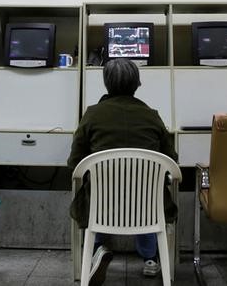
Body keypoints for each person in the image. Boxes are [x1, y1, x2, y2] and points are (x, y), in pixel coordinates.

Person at [67, 58, 178, 285]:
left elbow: (75, 163)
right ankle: (150, 259)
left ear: (106, 84)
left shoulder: (92, 114)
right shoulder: (152, 115)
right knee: (148, 192)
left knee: (97, 192)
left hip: (102, 206)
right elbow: (171, 160)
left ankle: (97, 249)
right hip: (147, 208)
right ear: (137, 84)